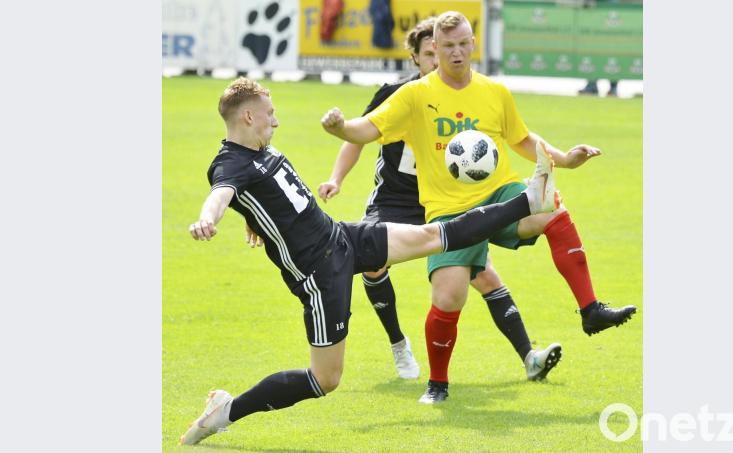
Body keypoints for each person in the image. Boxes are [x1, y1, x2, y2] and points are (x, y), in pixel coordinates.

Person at [180, 77, 559, 445]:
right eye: (270, 113)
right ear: (248, 118)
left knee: (435, 237)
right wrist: (207, 219)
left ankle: (528, 200)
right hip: (319, 274)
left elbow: (263, 194)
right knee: (325, 379)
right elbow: (222, 193)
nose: (275, 120)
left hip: (343, 237)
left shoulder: (260, 149)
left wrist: (253, 219)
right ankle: (225, 412)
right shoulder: (229, 163)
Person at [320, 11, 637, 404]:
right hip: (450, 213)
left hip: (499, 194)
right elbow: (366, 130)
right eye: (447, 46)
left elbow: (521, 139)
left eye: (462, 44)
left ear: (474, 44)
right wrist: (340, 128)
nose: (455, 52)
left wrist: (564, 159)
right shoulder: (414, 95)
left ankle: (590, 308)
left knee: (550, 205)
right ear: (434, 48)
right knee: (449, 297)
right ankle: (437, 384)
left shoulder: (494, 92)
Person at [317, 17, 559, 383]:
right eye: (431, 53)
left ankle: (530, 356)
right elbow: (359, 136)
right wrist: (336, 178)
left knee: (485, 276)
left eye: (441, 51)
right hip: (395, 200)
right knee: (371, 262)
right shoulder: (400, 94)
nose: (439, 59)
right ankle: (399, 344)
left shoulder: (464, 92)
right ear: (415, 57)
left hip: (446, 200)